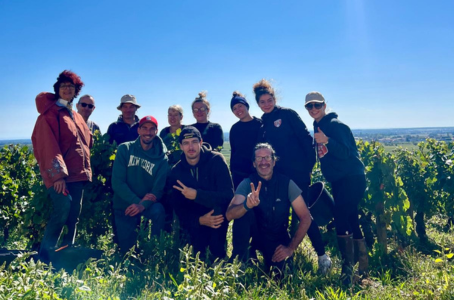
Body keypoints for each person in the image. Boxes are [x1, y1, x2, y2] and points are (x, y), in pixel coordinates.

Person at [253, 79, 331, 274]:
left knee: (303, 214)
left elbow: (306, 139)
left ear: (274, 98)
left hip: (298, 175)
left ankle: (323, 257)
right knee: (282, 215)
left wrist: (308, 168)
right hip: (278, 177)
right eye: (262, 102)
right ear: (258, 104)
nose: (266, 104)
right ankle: (288, 254)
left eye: (269, 100)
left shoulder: (287, 114)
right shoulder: (263, 122)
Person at [304, 91, 368, 285]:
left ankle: (347, 270)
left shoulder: (335, 126)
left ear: (324, 105)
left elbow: (348, 152)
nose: (313, 109)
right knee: (350, 219)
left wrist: (328, 141)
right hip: (339, 179)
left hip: (352, 178)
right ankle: (362, 267)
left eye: (317, 105)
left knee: (340, 218)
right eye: (309, 106)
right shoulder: (318, 125)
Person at [31, 70, 92, 262]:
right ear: (57, 89)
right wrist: (57, 176)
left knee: (73, 215)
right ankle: (45, 258)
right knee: (62, 209)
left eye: (71, 87)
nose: (67, 89)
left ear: (76, 91)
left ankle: (65, 257)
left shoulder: (75, 115)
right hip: (61, 177)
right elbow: (47, 145)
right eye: (63, 86)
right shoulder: (50, 114)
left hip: (78, 175)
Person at [227, 143, 312, 272]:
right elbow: (229, 215)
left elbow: (306, 218)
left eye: (267, 157)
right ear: (254, 163)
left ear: (274, 162)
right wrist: (246, 205)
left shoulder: (286, 183)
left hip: (277, 237)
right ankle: (240, 260)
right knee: (243, 213)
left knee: (282, 275)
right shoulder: (246, 184)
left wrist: (290, 248)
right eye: (259, 158)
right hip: (255, 234)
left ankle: (261, 257)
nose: (263, 162)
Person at [169, 126, 233, 261]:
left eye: (194, 142)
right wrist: (199, 220)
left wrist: (197, 195)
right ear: (180, 146)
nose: (190, 147)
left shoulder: (216, 160)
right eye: (186, 143)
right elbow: (178, 207)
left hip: (216, 217)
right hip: (193, 220)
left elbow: (227, 195)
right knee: (192, 260)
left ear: (201, 142)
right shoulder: (177, 171)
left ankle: (219, 254)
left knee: (216, 258)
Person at [111, 115, 168, 254]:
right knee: (127, 253)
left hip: (147, 204)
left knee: (159, 210)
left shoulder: (162, 158)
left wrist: (143, 205)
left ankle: (154, 252)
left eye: (152, 129)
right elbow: (117, 182)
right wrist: (137, 203)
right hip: (126, 204)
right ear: (138, 130)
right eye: (144, 128)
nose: (148, 132)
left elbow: (158, 189)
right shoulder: (125, 149)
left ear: (156, 131)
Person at [229, 91, 262, 189]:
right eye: (234, 108)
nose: (238, 110)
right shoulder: (234, 128)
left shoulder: (260, 125)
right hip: (239, 174)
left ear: (246, 106)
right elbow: (233, 151)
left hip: (258, 172)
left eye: (240, 106)